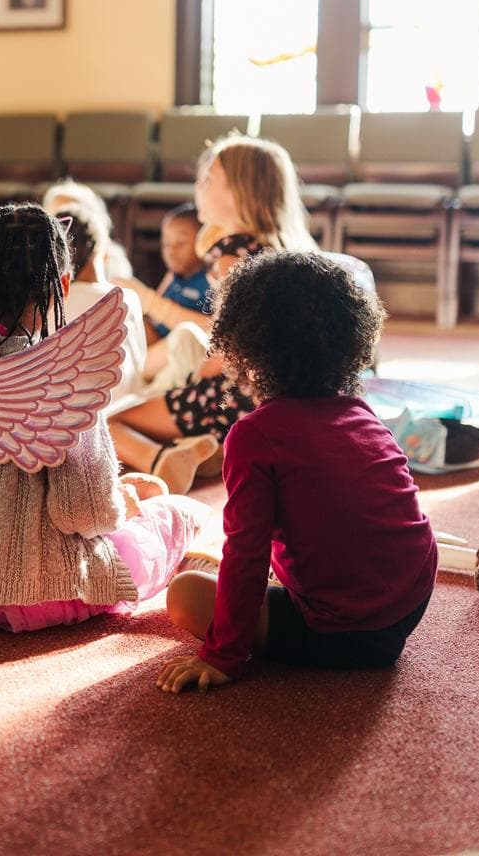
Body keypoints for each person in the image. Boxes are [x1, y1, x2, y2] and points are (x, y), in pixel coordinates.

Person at [0, 203, 207, 632]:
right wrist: (122, 501)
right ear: (63, 286)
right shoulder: (66, 381)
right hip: (39, 585)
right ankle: (183, 554)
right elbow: (83, 514)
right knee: (176, 509)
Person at [156, 251, 437, 692]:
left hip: (350, 633)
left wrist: (223, 655)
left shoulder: (253, 436)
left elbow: (248, 554)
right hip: (411, 601)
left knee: (185, 594)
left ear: (243, 345)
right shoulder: (361, 412)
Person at [109, 134, 317, 474]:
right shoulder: (282, 252)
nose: (198, 186)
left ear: (239, 193)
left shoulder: (231, 259)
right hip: (283, 398)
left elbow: (224, 351)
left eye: (208, 179)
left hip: (240, 399)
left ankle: (164, 458)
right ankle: (210, 448)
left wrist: (192, 379)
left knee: (103, 425)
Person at [61, 206, 147, 407]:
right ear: (103, 251)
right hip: (121, 410)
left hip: (68, 413)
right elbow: (138, 368)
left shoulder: (49, 304)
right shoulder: (126, 297)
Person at [41, 179, 134, 280]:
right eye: (58, 217)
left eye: (74, 217)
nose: (66, 227)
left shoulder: (112, 258)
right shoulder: (43, 256)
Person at [147, 204, 211, 340]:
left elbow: (212, 330)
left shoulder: (210, 281)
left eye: (181, 243)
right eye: (166, 243)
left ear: (204, 241)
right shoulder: (172, 276)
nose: (171, 251)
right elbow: (151, 318)